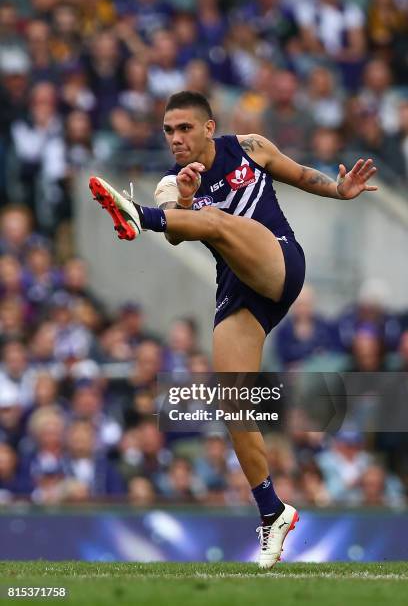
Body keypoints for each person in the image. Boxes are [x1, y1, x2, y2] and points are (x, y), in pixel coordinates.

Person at [88, 90, 378, 568]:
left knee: (214, 217)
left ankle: (136, 216)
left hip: (279, 261)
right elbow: (179, 233)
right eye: (168, 130)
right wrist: (180, 197)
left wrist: (338, 189)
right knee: (234, 402)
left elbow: (301, 174)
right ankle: (272, 512)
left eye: (184, 128)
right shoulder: (169, 182)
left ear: (208, 127)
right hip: (237, 286)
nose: (175, 139)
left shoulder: (249, 147)